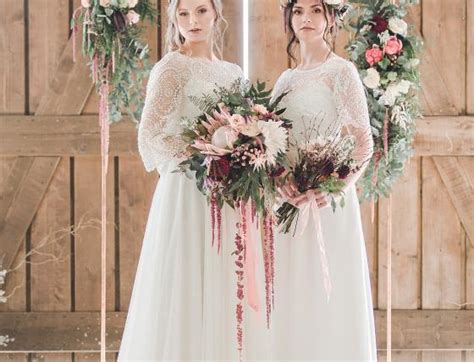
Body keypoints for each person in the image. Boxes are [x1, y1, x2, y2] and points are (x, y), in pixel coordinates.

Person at [117, 0, 246, 359]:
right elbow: (150, 136)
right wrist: (204, 149)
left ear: (216, 14)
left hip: (226, 194)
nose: (193, 21)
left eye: (201, 11)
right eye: (184, 14)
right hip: (185, 192)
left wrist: (238, 152)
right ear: (175, 19)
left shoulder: (235, 74)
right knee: (184, 281)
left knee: (222, 282)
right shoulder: (171, 67)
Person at [268, 0, 378, 359]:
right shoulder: (286, 78)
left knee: (326, 296)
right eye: (298, 11)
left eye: (316, 10)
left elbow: (364, 142)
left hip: (325, 204)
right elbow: (273, 143)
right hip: (289, 205)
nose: (306, 19)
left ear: (331, 17)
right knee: (291, 296)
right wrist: (278, 178)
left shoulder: (340, 71)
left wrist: (333, 189)